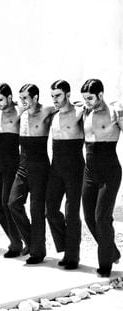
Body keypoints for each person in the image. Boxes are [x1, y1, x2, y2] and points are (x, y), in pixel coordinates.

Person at [8, 84, 56, 264]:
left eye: (25, 98)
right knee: (13, 203)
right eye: (20, 99)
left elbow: (69, 106)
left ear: (35, 98)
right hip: (22, 165)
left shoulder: (46, 111)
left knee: (36, 210)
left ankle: (38, 252)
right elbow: (5, 105)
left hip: (40, 166)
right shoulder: (21, 111)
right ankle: (31, 241)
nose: (22, 102)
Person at [80, 79, 122, 277]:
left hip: (110, 171)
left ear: (101, 95)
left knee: (102, 218)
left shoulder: (114, 112)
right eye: (84, 98)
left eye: (90, 98)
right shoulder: (85, 111)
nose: (87, 101)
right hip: (89, 171)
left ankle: (105, 266)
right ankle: (112, 251)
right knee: (89, 217)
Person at [45, 80, 84, 270]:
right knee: (50, 210)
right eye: (52, 96)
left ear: (68, 95)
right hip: (56, 166)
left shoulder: (80, 112)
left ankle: (73, 255)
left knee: (72, 213)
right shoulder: (52, 114)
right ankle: (66, 247)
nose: (54, 99)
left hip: (75, 166)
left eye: (58, 95)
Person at [0, 83, 25, 258]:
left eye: (1, 99)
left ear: (10, 98)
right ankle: (16, 238)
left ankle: (16, 243)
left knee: (6, 203)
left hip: (11, 162)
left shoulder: (19, 111)